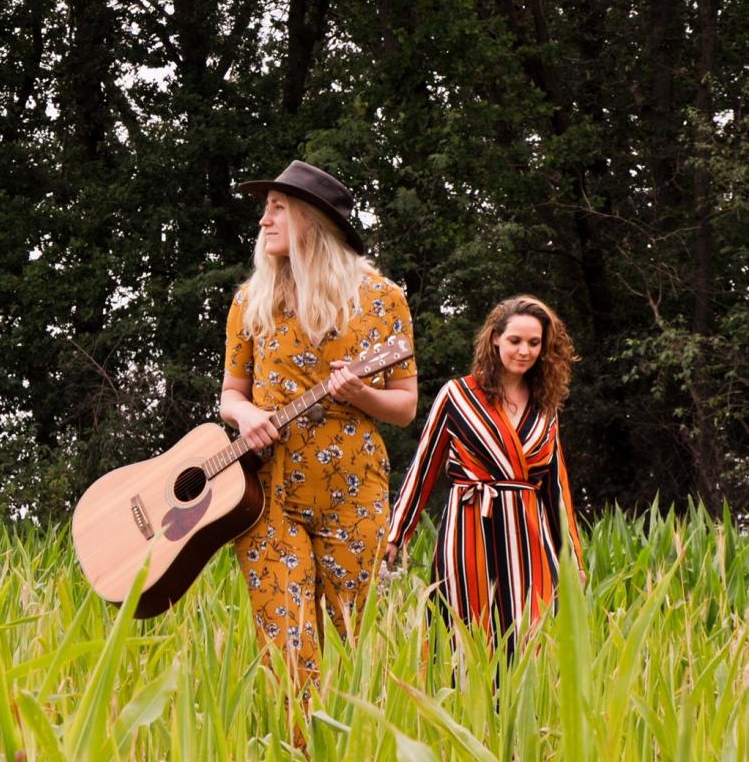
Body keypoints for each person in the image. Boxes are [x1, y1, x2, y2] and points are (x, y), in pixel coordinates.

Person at [221, 161, 418, 694]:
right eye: (265, 208)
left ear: (313, 219)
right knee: (287, 649)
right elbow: (230, 396)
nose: (264, 220)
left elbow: (405, 407)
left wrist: (361, 394)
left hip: (353, 492)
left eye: (277, 207)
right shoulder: (249, 301)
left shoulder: (382, 299)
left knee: (367, 645)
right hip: (265, 495)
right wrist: (247, 415)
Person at [384, 295, 584, 651]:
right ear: (495, 339)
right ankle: (466, 706)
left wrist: (574, 559)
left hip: (530, 533)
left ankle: (525, 707)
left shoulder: (545, 407)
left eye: (534, 343)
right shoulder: (457, 395)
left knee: (531, 636)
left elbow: (556, 487)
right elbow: (424, 466)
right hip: (470, 527)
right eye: (515, 341)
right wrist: (396, 533)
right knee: (467, 635)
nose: (524, 351)